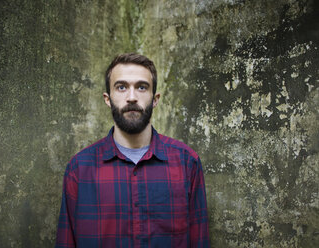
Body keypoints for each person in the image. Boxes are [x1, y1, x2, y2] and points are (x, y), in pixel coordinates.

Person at [55, 53, 209, 247]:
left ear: (155, 99)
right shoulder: (79, 169)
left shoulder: (187, 163)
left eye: (142, 87)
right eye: (121, 87)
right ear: (107, 99)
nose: (132, 97)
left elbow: (200, 242)